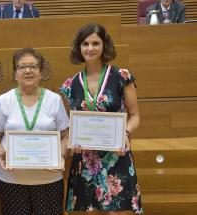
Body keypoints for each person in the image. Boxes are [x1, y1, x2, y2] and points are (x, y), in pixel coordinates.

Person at [60, 23, 143, 214]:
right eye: (85, 43)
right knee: (90, 211)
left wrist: (126, 132)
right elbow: (73, 122)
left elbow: (135, 116)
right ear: (78, 48)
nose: (90, 48)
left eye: (95, 43)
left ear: (104, 45)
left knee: (118, 211)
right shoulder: (71, 84)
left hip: (116, 154)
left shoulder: (122, 76)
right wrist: (74, 140)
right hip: (87, 158)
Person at [0, 47, 69, 215]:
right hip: (11, 180)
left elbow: (66, 136)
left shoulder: (54, 100)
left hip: (49, 180)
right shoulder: (4, 101)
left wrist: (61, 156)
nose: (28, 71)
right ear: (15, 73)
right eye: (22, 66)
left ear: (41, 72)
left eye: (33, 66)